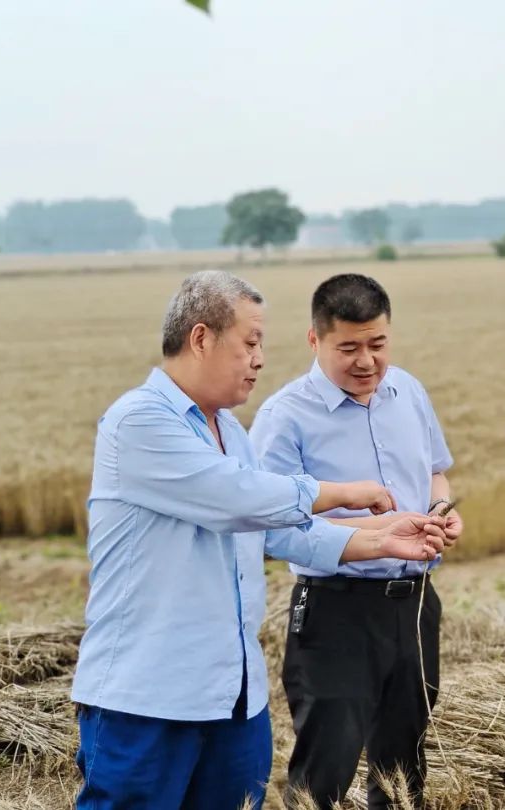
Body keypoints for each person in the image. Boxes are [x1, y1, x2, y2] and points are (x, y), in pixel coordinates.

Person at [70, 270, 446, 810]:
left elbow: (280, 531)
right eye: (250, 343)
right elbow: (241, 497)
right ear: (201, 339)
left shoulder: (230, 432)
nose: (260, 359)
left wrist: (386, 540)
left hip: (232, 698)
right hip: (149, 697)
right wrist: (344, 492)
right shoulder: (139, 422)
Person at [249, 273, 461, 810]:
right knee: (327, 766)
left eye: (378, 344)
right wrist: (382, 538)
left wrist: (440, 512)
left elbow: (437, 474)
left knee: (404, 765)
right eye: (349, 347)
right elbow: (274, 532)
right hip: (334, 610)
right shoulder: (283, 418)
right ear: (314, 340)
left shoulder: (408, 391)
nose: (366, 360)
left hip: (414, 606)